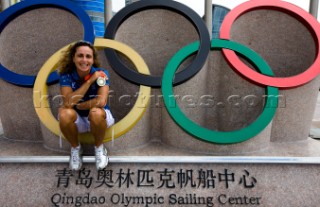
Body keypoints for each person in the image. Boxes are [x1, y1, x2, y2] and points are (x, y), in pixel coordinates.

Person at [58, 40, 114, 171]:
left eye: (88, 56)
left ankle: (99, 148)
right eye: (80, 56)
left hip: (100, 117)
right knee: (64, 114)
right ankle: (75, 148)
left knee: (95, 112)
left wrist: (77, 105)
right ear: (73, 58)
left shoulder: (101, 73)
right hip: (78, 120)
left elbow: (101, 101)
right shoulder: (65, 75)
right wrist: (89, 81)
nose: (84, 60)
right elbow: (67, 103)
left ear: (93, 59)